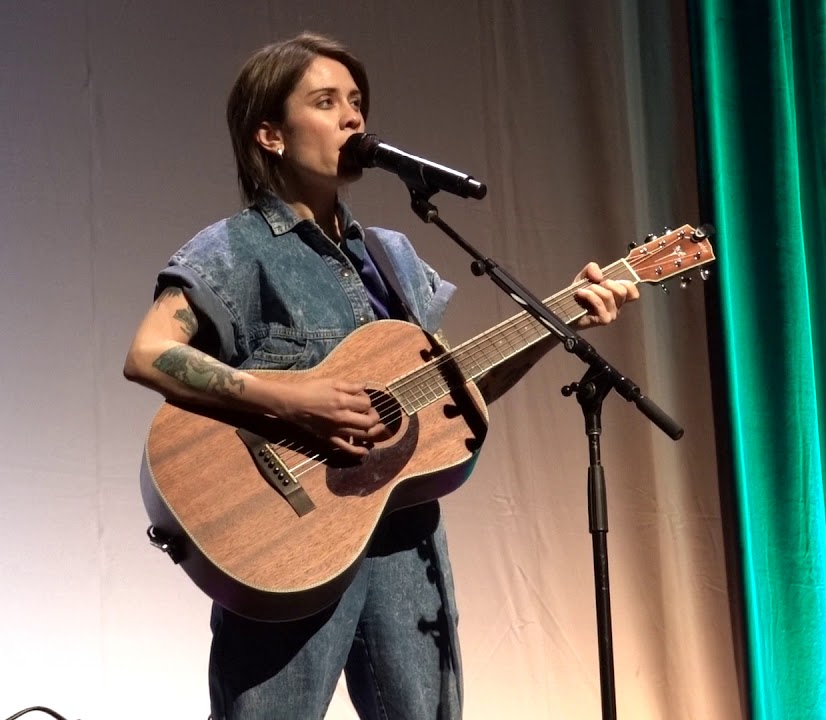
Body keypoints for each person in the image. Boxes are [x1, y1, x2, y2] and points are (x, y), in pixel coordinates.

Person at [122, 33, 638, 720]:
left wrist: (561, 318)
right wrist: (292, 399)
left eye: (357, 103)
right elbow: (149, 353)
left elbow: (454, 392)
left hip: (403, 544)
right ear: (271, 134)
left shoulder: (393, 255)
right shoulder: (233, 249)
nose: (353, 119)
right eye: (327, 102)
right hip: (283, 544)